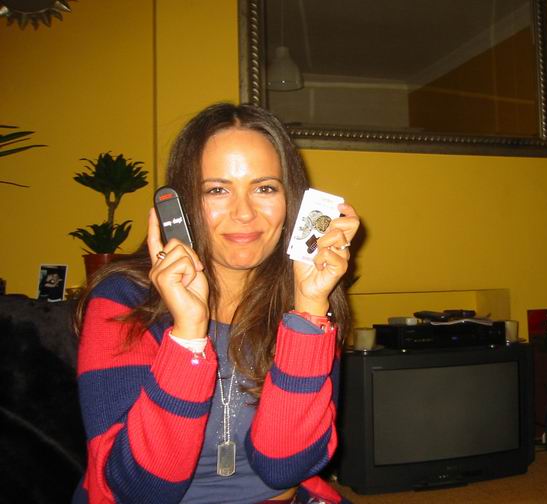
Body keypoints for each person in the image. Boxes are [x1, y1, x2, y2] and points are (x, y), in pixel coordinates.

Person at [72, 103, 359, 504]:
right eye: (217, 190)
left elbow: (286, 468)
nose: (244, 213)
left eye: (265, 188)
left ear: (291, 201)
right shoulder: (124, 299)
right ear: (184, 203)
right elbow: (139, 490)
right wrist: (188, 337)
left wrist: (309, 308)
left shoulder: (309, 299)